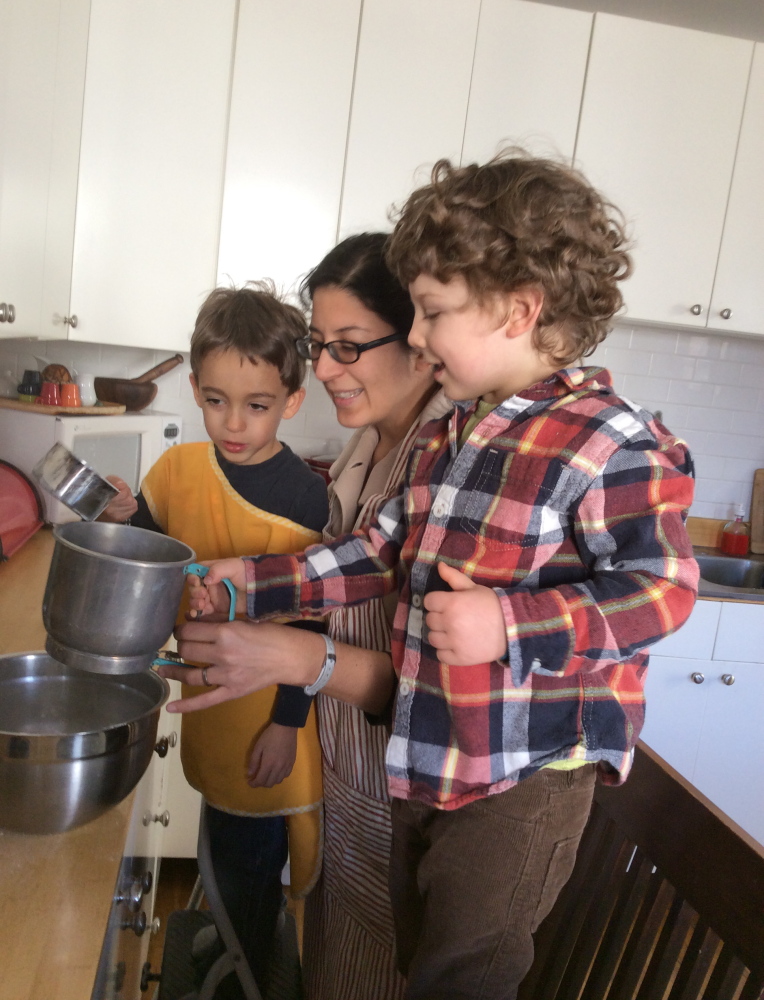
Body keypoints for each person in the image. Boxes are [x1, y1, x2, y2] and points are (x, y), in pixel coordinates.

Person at [163, 154, 698, 1000]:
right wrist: (248, 583)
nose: (415, 336)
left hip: (525, 783)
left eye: (432, 312)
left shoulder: (608, 440)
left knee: (461, 978)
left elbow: (664, 589)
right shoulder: (461, 438)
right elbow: (378, 553)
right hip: (435, 767)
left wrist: (510, 626)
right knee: (420, 966)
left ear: (520, 311)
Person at [171, 233, 448, 1000]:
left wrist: (297, 664)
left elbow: (441, 692)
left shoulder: (445, 466)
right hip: (343, 776)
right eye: (319, 346)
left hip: (401, 797)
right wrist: (241, 590)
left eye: (348, 348)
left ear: (422, 342)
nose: (324, 369)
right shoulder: (365, 453)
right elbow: (326, 585)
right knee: (325, 959)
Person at [101, 282, 329, 997]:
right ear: (196, 388)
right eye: (216, 401)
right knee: (225, 851)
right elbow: (155, 558)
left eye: (257, 405)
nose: (233, 422)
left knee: (249, 865)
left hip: (266, 717)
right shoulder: (176, 471)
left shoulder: (305, 499)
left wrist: (288, 725)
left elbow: (313, 622)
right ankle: (236, 957)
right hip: (205, 705)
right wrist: (129, 515)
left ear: (292, 401)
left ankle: (245, 976)